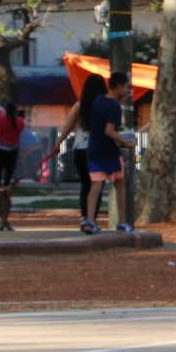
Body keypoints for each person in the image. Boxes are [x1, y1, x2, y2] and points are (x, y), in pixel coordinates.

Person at [77, 73, 135, 233]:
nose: (126, 91)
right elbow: (109, 131)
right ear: (119, 87)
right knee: (119, 184)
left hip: (93, 150)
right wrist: (127, 144)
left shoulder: (98, 101)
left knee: (95, 186)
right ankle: (122, 223)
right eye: (125, 87)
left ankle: (89, 221)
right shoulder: (114, 107)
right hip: (110, 152)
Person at [0, 100, 25, 231]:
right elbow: (20, 128)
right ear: (15, 111)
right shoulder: (20, 122)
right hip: (11, 149)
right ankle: (6, 187)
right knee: (9, 170)